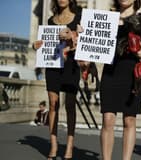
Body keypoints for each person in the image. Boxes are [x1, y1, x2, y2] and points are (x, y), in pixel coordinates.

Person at [100, 0, 141, 159]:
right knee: (107, 119)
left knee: (129, 120)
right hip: (110, 72)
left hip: (132, 73)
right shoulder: (107, 18)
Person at [33, 0, 82, 159]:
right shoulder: (50, 21)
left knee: (69, 105)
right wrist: (38, 46)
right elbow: (46, 45)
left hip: (71, 66)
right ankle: (53, 145)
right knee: (53, 104)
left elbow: (85, 44)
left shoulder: (78, 18)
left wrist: (72, 37)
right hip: (53, 66)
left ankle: (69, 146)